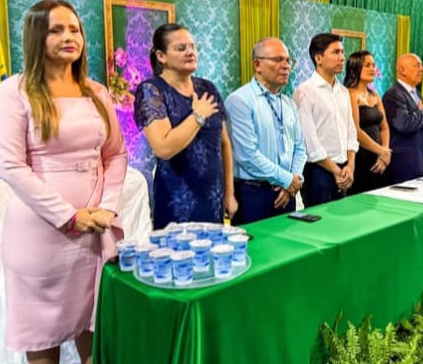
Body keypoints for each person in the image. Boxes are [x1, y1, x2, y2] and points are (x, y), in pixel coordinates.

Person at [0, 0, 127, 364]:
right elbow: (10, 166)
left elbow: (116, 154)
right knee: (42, 335)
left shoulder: (96, 91)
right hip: (41, 234)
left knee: (96, 327)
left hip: (95, 232)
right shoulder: (14, 91)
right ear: (36, 36)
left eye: (74, 29)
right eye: (56, 30)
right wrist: (69, 215)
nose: (70, 37)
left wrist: (107, 208)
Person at [134, 24, 237, 228]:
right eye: (181, 48)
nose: (190, 52)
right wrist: (198, 115)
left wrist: (229, 193)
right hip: (176, 200)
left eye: (193, 47)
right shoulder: (151, 90)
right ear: (161, 56)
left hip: (213, 198)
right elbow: (164, 148)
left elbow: (224, 143)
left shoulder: (207, 88)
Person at [224, 38, 307, 224]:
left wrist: (292, 181)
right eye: (278, 60)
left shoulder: (289, 104)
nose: (286, 66)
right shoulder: (240, 101)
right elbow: (247, 155)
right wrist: (287, 179)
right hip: (253, 194)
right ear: (257, 65)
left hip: (287, 192)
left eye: (288, 61)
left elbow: (300, 148)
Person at [293, 33, 358, 206]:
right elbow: (309, 142)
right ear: (319, 58)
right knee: (319, 220)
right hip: (318, 171)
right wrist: (336, 171)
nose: (342, 58)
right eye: (336, 52)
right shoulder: (304, 92)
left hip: (344, 169)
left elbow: (351, 131)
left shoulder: (343, 91)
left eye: (342, 52)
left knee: (342, 219)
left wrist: (350, 166)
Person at [344, 50, 391, 193]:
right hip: (360, 156)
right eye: (367, 65)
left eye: (374, 65)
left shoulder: (375, 95)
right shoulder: (350, 94)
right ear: (355, 67)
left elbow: (384, 127)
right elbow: (356, 131)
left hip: (379, 158)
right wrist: (382, 151)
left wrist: (384, 152)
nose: (372, 69)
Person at [383, 53, 423, 183]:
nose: (422, 69)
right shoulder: (393, 95)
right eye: (417, 66)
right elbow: (404, 124)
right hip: (404, 162)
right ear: (402, 70)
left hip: (419, 158)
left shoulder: (417, 93)